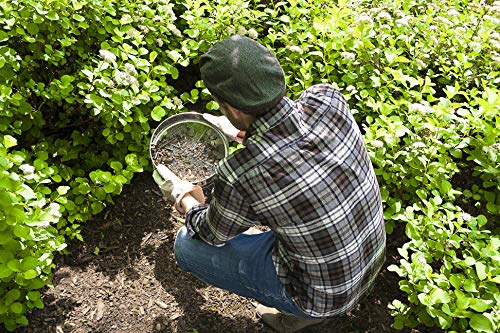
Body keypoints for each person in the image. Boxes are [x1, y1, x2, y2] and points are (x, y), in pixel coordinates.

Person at [152, 35, 386, 333]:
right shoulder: (327, 98)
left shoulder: (244, 171)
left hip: (325, 296)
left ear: (232, 108)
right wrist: (241, 133)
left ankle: (302, 315)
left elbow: (211, 234)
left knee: (187, 245)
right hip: (370, 258)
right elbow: (297, 145)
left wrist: (187, 197)